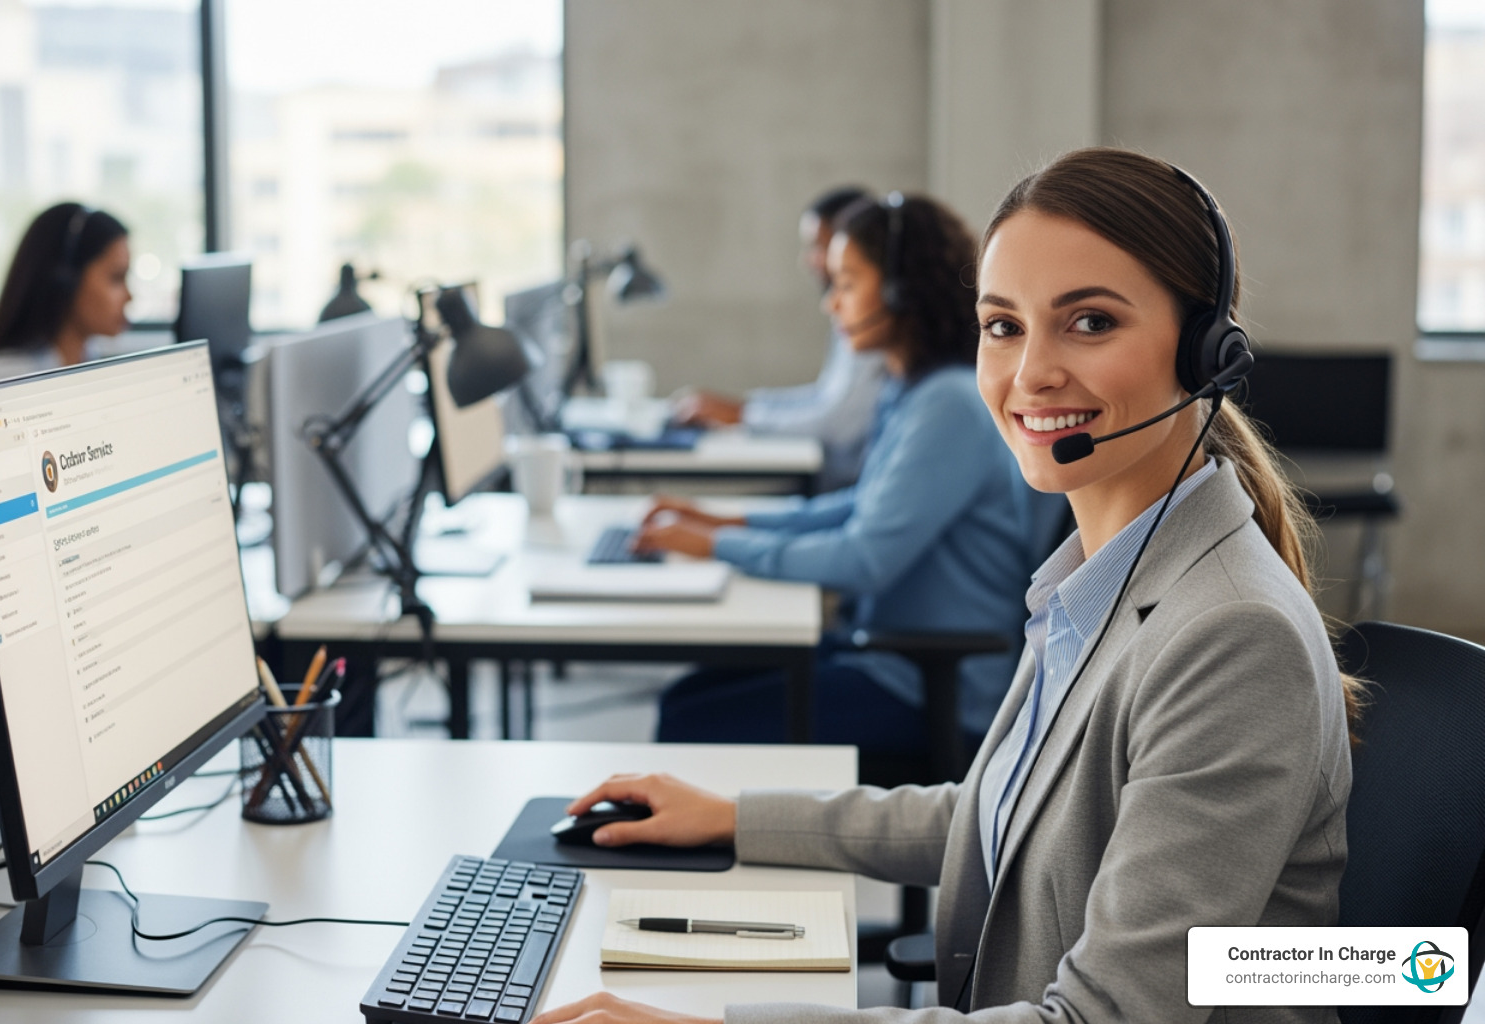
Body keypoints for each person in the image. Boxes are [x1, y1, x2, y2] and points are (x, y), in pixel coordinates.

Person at [536, 149, 1360, 1024]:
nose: (1031, 372)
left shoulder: (1231, 635)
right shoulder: (1101, 580)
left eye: (1089, 322)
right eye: (1003, 325)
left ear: (1204, 352)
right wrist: (734, 817)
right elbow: (998, 813)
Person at [638, 193, 1066, 755]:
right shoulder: (911, 389)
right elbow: (861, 505)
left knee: (688, 720)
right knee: (687, 696)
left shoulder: (950, 406)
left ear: (899, 290)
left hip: (933, 690)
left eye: (846, 283)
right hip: (887, 656)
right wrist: (726, 521)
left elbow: (863, 559)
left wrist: (718, 545)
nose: (831, 303)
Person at [672, 186, 890, 489]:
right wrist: (745, 408)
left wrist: (744, 416)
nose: (809, 261)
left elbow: (836, 422)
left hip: (840, 484)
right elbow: (825, 397)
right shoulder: (853, 317)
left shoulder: (880, 331)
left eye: (818, 247)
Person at [0, 203, 131, 386]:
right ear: (65, 279)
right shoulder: (7, 377)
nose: (129, 296)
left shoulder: (87, 357)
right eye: (116, 278)